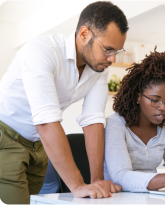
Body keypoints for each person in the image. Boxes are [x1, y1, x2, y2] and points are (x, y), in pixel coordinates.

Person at [0, 2, 128, 203]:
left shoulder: (98, 67)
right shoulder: (42, 51)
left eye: (117, 52)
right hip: (5, 137)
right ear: (84, 34)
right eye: (108, 49)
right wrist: (77, 186)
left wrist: (97, 180)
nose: (111, 59)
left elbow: (93, 120)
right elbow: (46, 121)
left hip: (37, 145)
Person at [104, 49, 165, 192]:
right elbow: (120, 177)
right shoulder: (116, 125)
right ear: (138, 97)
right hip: (116, 199)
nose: (163, 107)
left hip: (149, 198)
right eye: (155, 100)